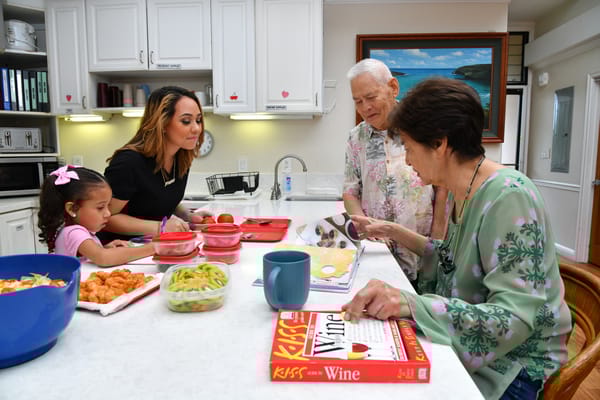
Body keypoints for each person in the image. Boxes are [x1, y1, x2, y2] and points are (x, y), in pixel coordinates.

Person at [341, 78, 572, 400]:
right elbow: (453, 257)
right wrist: (393, 230)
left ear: (439, 144)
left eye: (408, 148)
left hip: (515, 365)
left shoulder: (508, 196)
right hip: (484, 348)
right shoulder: (463, 189)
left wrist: (411, 303)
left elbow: (515, 319)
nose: (407, 160)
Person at [343, 58, 447, 282]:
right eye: (358, 101)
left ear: (393, 87)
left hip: (421, 247)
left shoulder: (423, 127)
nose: (365, 108)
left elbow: (443, 187)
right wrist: (365, 229)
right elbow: (351, 190)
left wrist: (438, 237)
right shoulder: (356, 137)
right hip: (377, 251)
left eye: (370, 97)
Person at [97, 86, 210, 243]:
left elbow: (158, 198)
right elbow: (105, 219)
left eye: (198, 120)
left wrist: (187, 216)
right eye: (186, 121)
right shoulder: (129, 163)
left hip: (153, 248)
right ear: (162, 123)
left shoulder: (181, 158)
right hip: (119, 252)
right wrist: (160, 227)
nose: (197, 128)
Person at [38, 165, 155, 266]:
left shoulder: (77, 231)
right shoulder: (74, 232)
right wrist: (152, 248)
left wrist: (105, 248)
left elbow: (87, 258)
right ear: (72, 208)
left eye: (108, 206)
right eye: (100, 207)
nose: (108, 214)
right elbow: (103, 258)